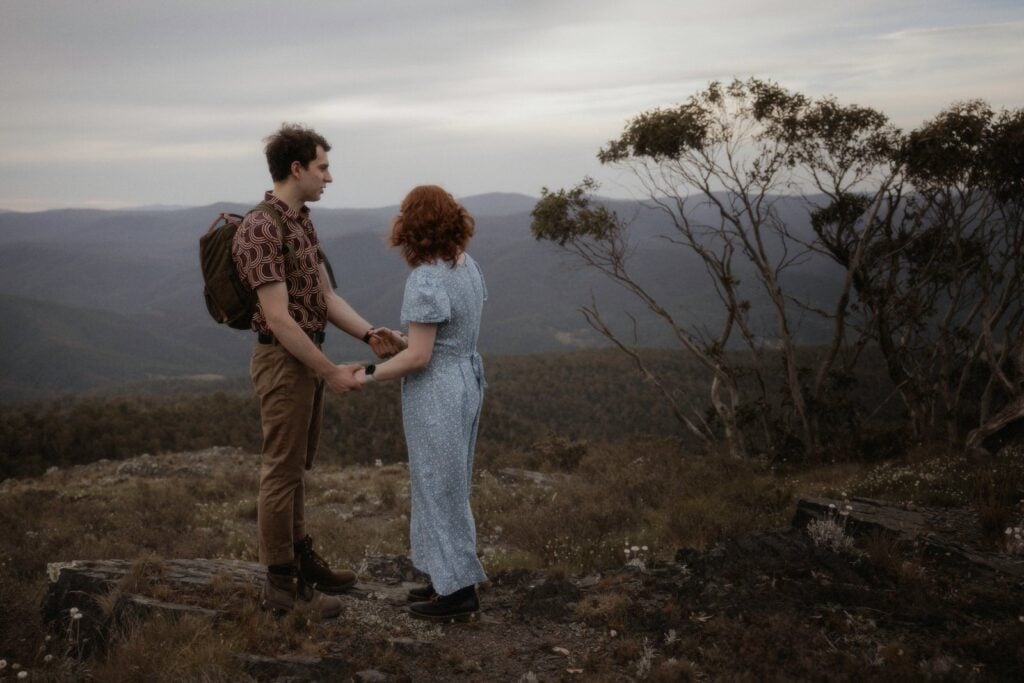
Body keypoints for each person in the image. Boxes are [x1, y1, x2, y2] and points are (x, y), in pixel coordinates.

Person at [232, 123, 400, 619]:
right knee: (280, 472)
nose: (329, 177)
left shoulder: (300, 221)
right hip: (283, 361)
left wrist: (370, 335)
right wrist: (329, 370)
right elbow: (279, 317)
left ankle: (301, 561)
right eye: (322, 167)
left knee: (294, 468)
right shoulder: (262, 227)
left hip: (304, 357)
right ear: (297, 169)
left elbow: (323, 298)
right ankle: (282, 590)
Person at [353, 185, 488, 621]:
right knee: (447, 483)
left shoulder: (426, 278)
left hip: (438, 391)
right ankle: (443, 579)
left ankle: (458, 592)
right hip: (466, 380)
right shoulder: (467, 267)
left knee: (438, 484)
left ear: (412, 226)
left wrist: (364, 374)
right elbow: (443, 340)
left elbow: (421, 357)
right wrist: (401, 336)